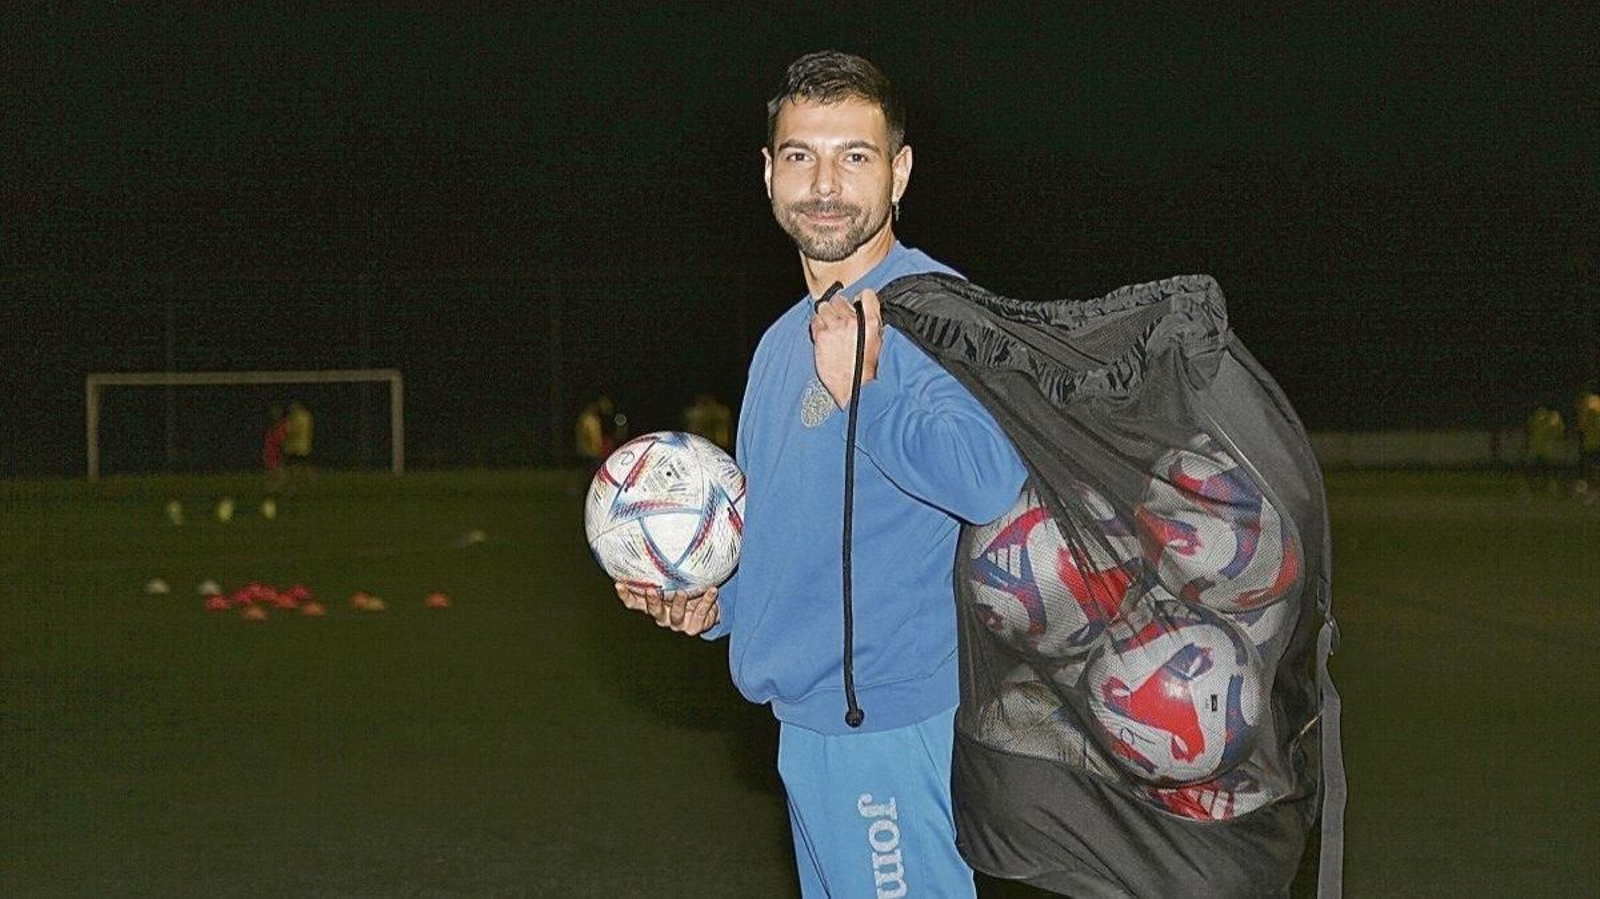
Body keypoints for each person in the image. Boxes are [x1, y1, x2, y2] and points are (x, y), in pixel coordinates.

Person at [616, 51, 1026, 897]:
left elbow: (991, 481)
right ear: (769, 173)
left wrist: (864, 393)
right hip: (805, 726)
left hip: (894, 720)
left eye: (855, 156)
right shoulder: (777, 345)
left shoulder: (937, 312)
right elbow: (793, 531)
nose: (826, 184)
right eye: (802, 156)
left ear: (900, 172)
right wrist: (712, 600)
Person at [1524, 403, 1565, 498]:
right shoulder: (1544, 423)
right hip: (1540, 452)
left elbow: (1559, 432)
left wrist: (1557, 423)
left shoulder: (1546, 425)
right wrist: (1557, 422)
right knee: (1539, 474)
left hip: (1541, 452)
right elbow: (1559, 432)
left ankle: (1541, 492)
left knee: (1541, 474)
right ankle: (1538, 492)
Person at [262, 405, 289, 493]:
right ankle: (271, 490)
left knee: (277, 474)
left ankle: (272, 490)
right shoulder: (276, 426)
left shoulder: (281, 425)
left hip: (275, 452)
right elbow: (278, 440)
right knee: (276, 474)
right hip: (273, 453)